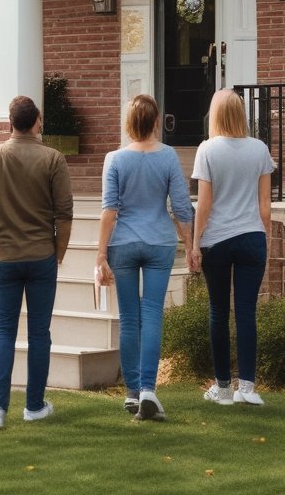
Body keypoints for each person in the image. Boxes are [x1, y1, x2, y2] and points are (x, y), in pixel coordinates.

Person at [0, 95, 73, 430]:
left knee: (4, 332)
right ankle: (34, 405)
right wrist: (59, 252)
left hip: (4, 257)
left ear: (9, 122)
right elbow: (64, 214)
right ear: (37, 120)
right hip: (41, 255)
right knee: (39, 332)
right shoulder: (53, 159)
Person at [95, 94, 194, 422]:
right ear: (155, 122)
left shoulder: (115, 159)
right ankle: (149, 389)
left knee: (129, 318)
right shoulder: (168, 157)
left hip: (122, 244)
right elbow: (181, 207)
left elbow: (109, 210)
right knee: (152, 314)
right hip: (159, 243)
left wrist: (100, 254)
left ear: (128, 124)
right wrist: (190, 244)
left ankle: (133, 393)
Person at [191, 88, 275, 407]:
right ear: (241, 114)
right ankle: (249, 388)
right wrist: (262, 237)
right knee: (246, 311)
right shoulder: (259, 149)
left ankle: (224, 389)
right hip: (252, 238)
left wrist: (196, 243)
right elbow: (265, 205)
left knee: (218, 312)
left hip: (218, 240)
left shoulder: (207, 150)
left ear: (215, 115)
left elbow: (205, 203)